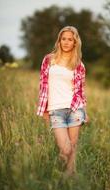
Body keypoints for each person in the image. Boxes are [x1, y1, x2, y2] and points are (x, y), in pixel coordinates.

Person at [37, 26, 89, 176]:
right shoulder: (48, 60)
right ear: (59, 41)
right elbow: (43, 86)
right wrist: (45, 109)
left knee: (73, 146)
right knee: (65, 149)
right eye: (63, 39)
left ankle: (69, 177)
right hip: (56, 110)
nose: (66, 42)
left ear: (75, 42)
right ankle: (63, 167)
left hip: (75, 110)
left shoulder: (79, 65)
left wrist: (85, 111)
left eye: (70, 39)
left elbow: (80, 91)